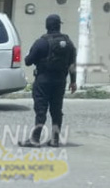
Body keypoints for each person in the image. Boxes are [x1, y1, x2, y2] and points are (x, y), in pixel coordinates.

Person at [22, 14, 77, 147]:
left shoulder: (41, 42)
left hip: (43, 80)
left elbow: (28, 61)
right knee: (56, 110)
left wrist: (29, 56)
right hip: (60, 81)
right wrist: (73, 81)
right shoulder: (68, 43)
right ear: (59, 25)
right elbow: (72, 65)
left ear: (47, 26)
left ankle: (35, 139)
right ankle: (55, 139)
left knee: (41, 110)